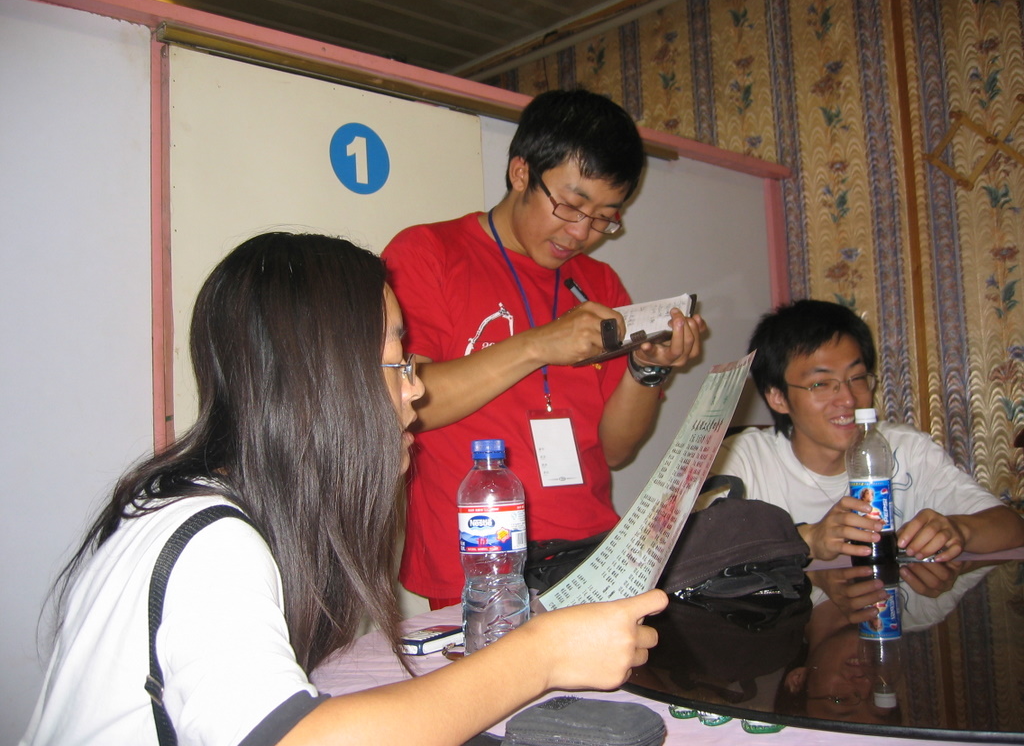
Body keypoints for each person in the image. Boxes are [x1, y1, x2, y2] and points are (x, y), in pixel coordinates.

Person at [20, 232, 668, 746]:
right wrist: (541, 656)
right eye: (399, 361)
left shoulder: (206, 507)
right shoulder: (209, 541)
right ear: (325, 379)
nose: (416, 387)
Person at [383, 89, 707, 606]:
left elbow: (616, 450)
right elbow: (409, 405)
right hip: (482, 560)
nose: (581, 233)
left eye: (603, 218)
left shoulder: (600, 283)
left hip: (594, 553)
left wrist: (646, 369)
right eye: (571, 206)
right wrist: (537, 346)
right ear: (520, 173)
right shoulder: (427, 254)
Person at [708, 299, 1024, 563]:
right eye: (821, 384)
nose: (848, 399)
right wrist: (807, 538)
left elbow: (1010, 526)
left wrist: (959, 530)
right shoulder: (739, 459)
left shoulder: (906, 449)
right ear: (777, 397)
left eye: (857, 378)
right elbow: (694, 552)